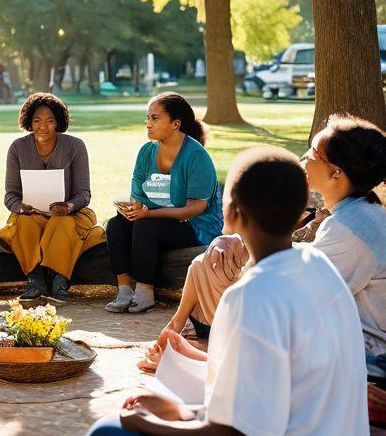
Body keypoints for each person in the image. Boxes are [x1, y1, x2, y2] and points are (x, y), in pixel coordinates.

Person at [23, 147, 375, 436]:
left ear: (232, 214)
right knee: (153, 433)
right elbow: (278, 392)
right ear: (302, 214)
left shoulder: (252, 295)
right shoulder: (318, 267)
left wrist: (154, 425)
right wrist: (182, 411)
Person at [154, 114, 386, 367]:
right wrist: (237, 243)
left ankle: (206, 362)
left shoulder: (351, 227)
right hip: (335, 334)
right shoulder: (355, 214)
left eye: (312, 153)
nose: (303, 159)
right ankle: (202, 352)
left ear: (336, 173)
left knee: (245, 294)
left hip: (360, 353)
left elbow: (296, 299)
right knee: (214, 262)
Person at [105, 94, 222, 315]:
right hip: (156, 220)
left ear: (176, 124)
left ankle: (144, 293)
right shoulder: (146, 152)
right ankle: (124, 291)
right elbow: (138, 197)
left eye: (155, 118)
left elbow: (196, 208)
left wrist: (147, 215)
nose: (148, 124)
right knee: (116, 224)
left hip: (195, 226)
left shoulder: (196, 156)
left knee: (146, 226)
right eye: (147, 118)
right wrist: (132, 209)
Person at [0, 93, 104, 302]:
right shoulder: (17, 148)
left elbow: (84, 193)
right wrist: (20, 207)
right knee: (24, 224)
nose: (42, 127)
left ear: (58, 123)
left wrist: (69, 206)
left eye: (49, 121)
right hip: (31, 214)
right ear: (29, 122)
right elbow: (10, 195)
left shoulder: (76, 146)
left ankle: (60, 279)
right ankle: (35, 279)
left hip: (68, 214)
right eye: (37, 120)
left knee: (62, 224)